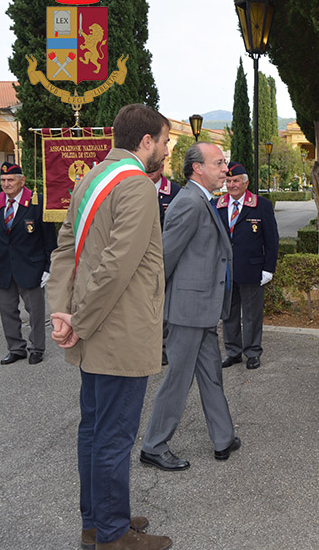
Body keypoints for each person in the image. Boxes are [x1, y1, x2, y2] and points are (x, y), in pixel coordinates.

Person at [47, 103, 173, 550]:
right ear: (145, 142)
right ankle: (114, 535)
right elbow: (117, 266)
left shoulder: (88, 180)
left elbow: (64, 253)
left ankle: (96, 521)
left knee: (94, 431)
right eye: (163, 141)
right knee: (114, 438)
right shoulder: (137, 186)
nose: (165, 149)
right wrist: (76, 320)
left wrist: (61, 312)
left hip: (93, 333)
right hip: (117, 333)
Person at [140, 142, 240, 471]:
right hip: (187, 310)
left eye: (225, 163)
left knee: (211, 375)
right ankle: (154, 445)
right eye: (219, 163)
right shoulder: (189, 202)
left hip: (202, 309)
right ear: (197, 168)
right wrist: (153, 304)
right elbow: (165, 258)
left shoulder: (200, 199)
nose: (226, 169)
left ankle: (223, 437)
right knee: (178, 380)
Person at [0, 161, 57, 365]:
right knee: (7, 311)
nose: (6, 184)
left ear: (21, 180)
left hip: (31, 267)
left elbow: (48, 239)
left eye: (10, 180)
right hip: (3, 268)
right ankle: (16, 348)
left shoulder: (37, 201)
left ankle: (36, 348)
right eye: (3, 180)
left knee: (35, 312)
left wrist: (47, 267)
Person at [217, 162, 279, 370]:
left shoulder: (261, 205)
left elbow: (271, 239)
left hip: (252, 269)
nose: (231, 185)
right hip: (225, 270)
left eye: (235, 181)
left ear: (245, 183)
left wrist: (268, 268)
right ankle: (233, 351)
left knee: (252, 314)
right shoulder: (217, 205)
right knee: (229, 313)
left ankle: (252, 352)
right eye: (228, 181)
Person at [147, 166, 181, 366]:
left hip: (166, 257)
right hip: (140, 257)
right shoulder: (132, 187)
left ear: (162, 167)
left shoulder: (175, 192)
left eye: (155, 167)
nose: (150, 171)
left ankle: (164, 347)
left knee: (165, 304)